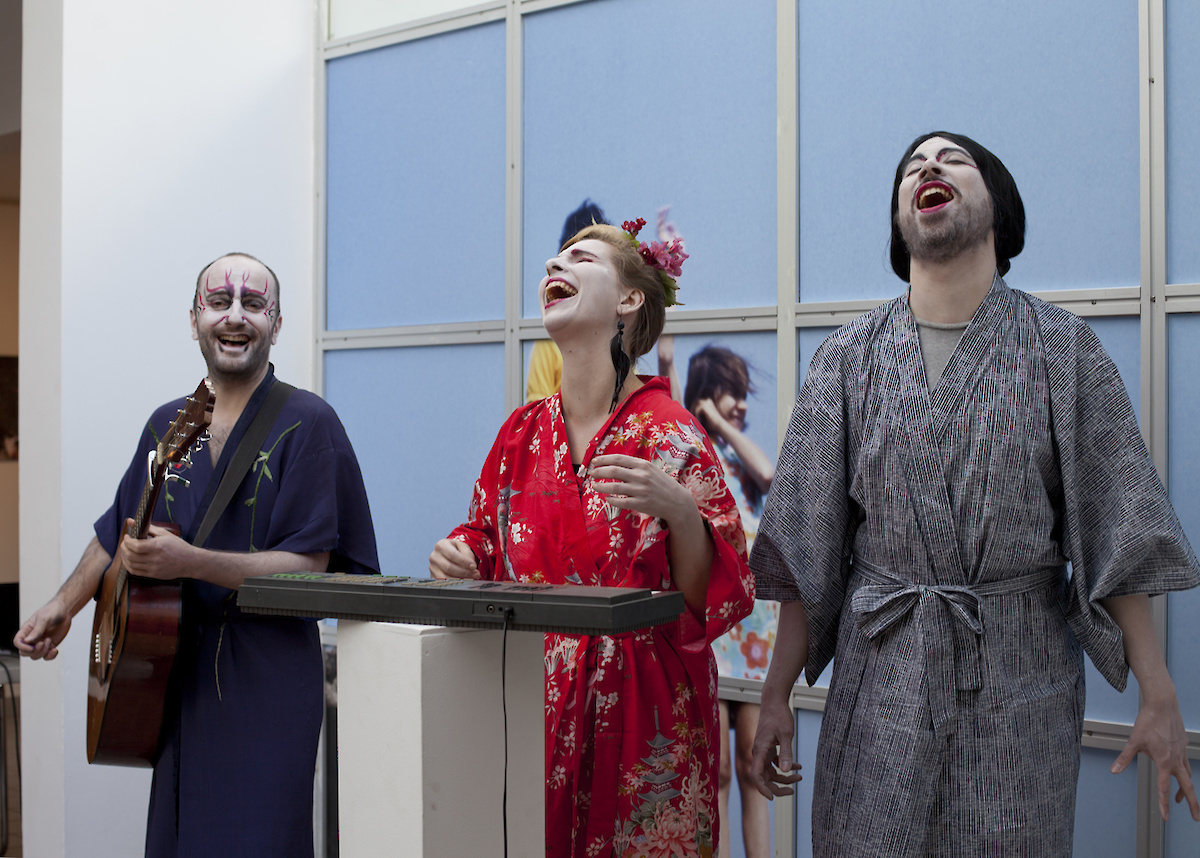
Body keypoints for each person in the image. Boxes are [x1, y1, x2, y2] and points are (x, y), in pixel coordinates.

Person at [749, 132, 1200, 856]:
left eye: (952, 159)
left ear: (999, 204)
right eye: (911, 167)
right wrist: (773, 694)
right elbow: (808, 542)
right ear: (901, 220)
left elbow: (1116, 526)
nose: (928, 167)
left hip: (1018, 672)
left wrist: (1158, 689)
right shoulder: (846, 358)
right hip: (883, 672)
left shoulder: (1062, 349)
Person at [15, 252, 379, 858]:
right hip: (171, 674)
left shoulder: (309, 423)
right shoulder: (166, 425)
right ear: (194, 319)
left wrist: (193, 562)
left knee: (262, 839)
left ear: (277, 323)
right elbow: (116, 533)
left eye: (254, 305)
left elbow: (311, 566)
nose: (235, 317)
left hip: (268, 672)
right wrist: (64, 605)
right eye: (219, 302)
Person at [430, 219, 754, 857]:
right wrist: (459, 556)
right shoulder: (520, 433)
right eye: (552, 259)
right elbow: (484, 538)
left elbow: (708, 600)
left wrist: (683, 515)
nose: (555, 265)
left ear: (630, 300)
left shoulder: (674, 434)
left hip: (647, 716)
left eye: (579, 258)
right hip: (533, 704)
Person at [658, 339, 776, 858]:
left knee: (754, 761)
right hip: (712, 624)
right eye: (733, 393)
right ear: (707, 394)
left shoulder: (737, 452)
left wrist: (721, 419)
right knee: (719, 770)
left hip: (754, 629)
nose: (744, 404)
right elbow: (673, 407)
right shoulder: (695, 450)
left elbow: (769, 473)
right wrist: (668, 364)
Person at [526, 198, 610, 403]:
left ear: (629, 297)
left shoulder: (619, 342)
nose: (553, 266)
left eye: (584, 260)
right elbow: (537, 411)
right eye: (562, 259)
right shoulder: (547, 344)